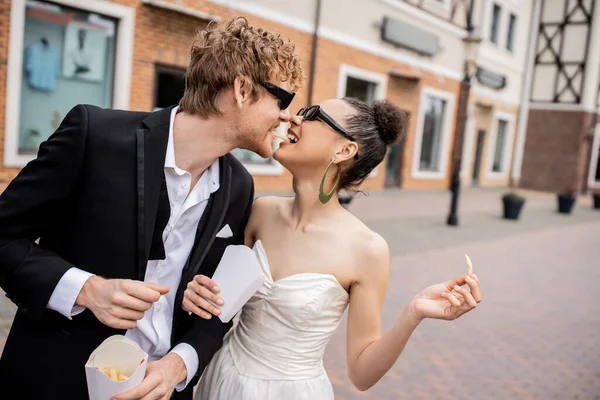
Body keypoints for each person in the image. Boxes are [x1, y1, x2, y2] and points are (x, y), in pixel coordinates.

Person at [0, 17, 303, 400]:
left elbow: (217, 306)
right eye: (284, 100)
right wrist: (87, 290)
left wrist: (181, 363)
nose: (288, 117)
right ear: (242, 89)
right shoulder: (95, 135)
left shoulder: (239, 185)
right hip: (55, 381)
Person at [184, 98, 482, 399]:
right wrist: (196, 292)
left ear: (344, 150)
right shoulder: (260, 212)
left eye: (313, 115)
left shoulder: (368, 249)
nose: (295, 119)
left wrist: (414, 311)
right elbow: (217, 304)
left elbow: (361, 375)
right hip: (221, 382)